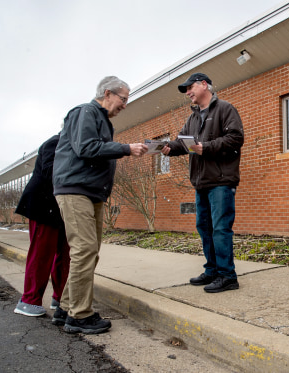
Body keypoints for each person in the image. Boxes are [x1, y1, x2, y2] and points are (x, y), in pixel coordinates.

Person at [52, 76, 148, 334]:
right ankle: (80, 316)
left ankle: (67, 306)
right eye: (124, 99)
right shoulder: (85, 112)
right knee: (84, 250)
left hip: (92, 193)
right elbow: (86, 147)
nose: (125, 105)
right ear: (108, 93)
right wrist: (126, 148)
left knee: (89, 252)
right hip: (76, 191)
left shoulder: (101, 120)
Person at [162, 73, 244, 293]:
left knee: (220, 228)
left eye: (190, 88)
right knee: (205, 228)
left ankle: (227, 276)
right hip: (201, 183)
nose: (188, 93)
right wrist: (166, 147)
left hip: (221, 181)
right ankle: (213, 270)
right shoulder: (193, 118)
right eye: (186, 90)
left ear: (204, 85)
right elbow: (182, 143)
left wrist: (205, 147)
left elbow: (236, 138)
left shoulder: (225, 109)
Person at [13, 134, 70, 317]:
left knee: (65, 254)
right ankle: (29, 300)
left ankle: (60, 297)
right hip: (43, 205)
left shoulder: (74, 144)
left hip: (62, 207)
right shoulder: (54, 143)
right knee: (41, 254)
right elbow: (50, 172)